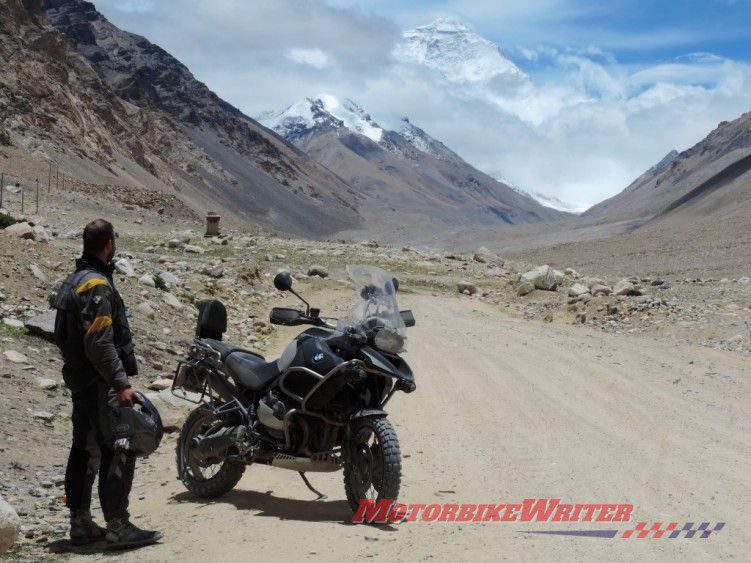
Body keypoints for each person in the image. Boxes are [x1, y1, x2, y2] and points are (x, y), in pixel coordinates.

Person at [53, 219, 162, 549]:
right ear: (109, 245)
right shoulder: (97, 285)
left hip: (80, 380)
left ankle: (81, 523)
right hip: (100, 384)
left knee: (83, 449)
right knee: (118, 447)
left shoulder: (73, 280)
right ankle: (118, 525)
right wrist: (120, 383)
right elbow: (99, 343)